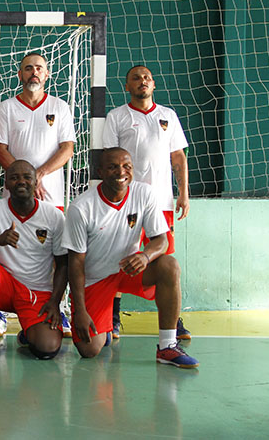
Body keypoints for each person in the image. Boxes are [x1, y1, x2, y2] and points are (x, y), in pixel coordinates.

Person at [62, 148, 198, 368]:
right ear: (100, 172)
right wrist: (80, 311)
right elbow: (75, 264)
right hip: (96, 279)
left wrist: (145, 256)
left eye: (127, 166)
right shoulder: (81, 208)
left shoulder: (144, 193)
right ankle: (104, 324)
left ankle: (167, 346)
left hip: (129, 270)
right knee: (89, 349)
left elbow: (162, 241)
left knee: (169, 265)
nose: (121, 172)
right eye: (113, 167)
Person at [103, 65, 191, 339]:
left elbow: (178, 156)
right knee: (119, 257)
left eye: (147, 78)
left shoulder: (168, 115)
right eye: (136, 78)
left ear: (153, 85)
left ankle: (172, 321)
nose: (142, 81)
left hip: (161, 204)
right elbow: (109, 158)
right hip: (125, 203)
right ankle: (113, 316)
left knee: (164, 262)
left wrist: (183, 193)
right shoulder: (117, 116)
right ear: (127, 86)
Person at [0, 52, 75, 337]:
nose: (34, 73)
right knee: (8, 247)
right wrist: (22, 179)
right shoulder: (6, 107)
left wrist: (37, 175)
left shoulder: (59, 107)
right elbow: (0, 149)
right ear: (20, 74)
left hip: (51, 196)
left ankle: (58, 307)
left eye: (39, 68)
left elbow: (67, 148)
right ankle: (0, 311)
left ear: (47, 74)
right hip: (14, 197)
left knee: (55, 253)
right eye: (28, 68)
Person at [0, 160, 67, 359]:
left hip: (38, 292)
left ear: (36, 183)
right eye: (14, 177)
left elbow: (63, 264)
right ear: (6, 184)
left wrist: (55, 302)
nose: (21, 181)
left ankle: (30, 331)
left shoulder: (53, 215)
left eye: (27, 177)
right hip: (4, 287)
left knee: (47, 349)